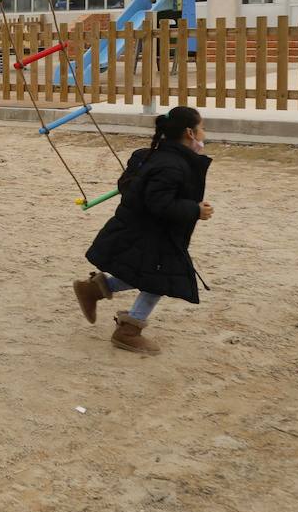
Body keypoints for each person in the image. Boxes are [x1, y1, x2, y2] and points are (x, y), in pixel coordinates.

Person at [72, 106, 213, 355]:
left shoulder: (155, 157)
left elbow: (134, 189)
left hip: (147, 231)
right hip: (152, 234)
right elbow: (158, 203)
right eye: (201, 127)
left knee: (147, 273)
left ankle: (95, 289)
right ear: (190, 133)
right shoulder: (171, 165)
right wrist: (194, 210)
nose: (204, 133)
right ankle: (128, 331)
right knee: (158, 280)